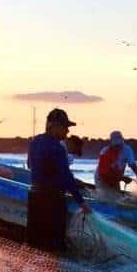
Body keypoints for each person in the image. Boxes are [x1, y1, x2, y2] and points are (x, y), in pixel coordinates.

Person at [26, 108, 90, 252]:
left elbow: (30, 165)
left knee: (34, 245)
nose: (67, 131)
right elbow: (67, 178)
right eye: (65, 127)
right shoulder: (57, 148)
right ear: (53, 126)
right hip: (52, 202)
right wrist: (82, 203)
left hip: (34, 197)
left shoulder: (35, 141)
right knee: (54, 249)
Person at [94, 130, 137, 200]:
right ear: (111, 143)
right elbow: (104, 174)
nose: (118, 147)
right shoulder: (105, 152)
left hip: (116, 177)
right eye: (116, 145)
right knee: (105, 198)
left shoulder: (127, 150)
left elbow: (132, 164)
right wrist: (122, 178)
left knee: (117, 197)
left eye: (119, 145)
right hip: (101, 178)